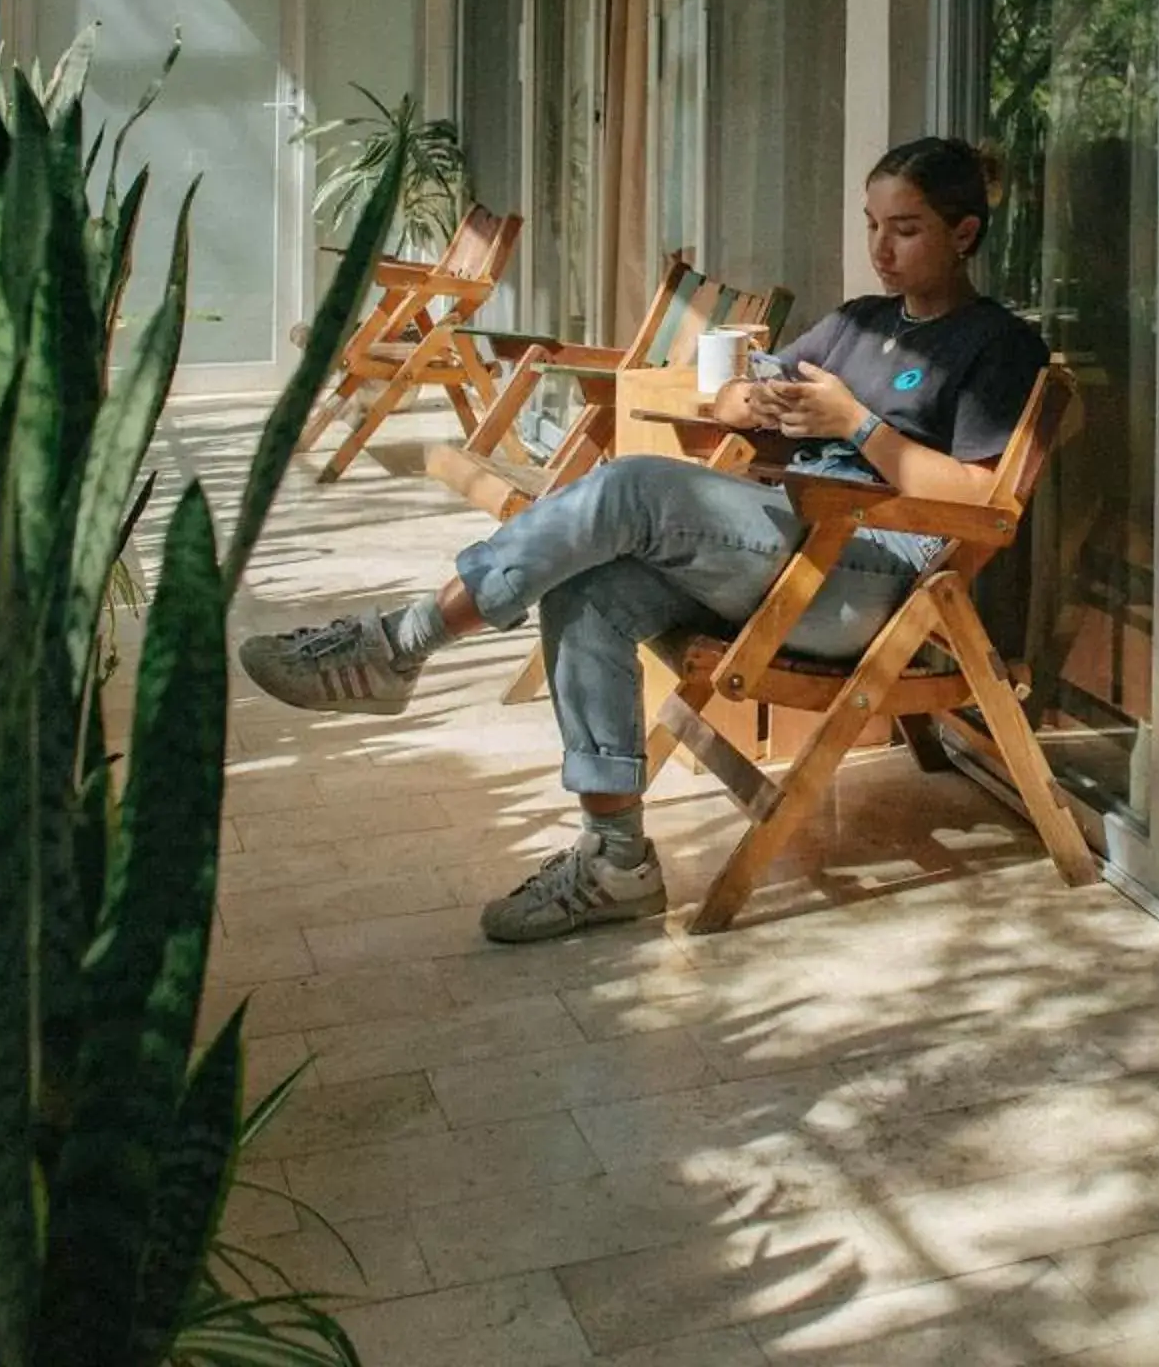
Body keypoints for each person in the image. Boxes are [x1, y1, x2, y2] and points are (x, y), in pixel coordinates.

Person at [238, 138, 1050, 944]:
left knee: (631, 484)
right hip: (785, 547)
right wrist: (752, 402)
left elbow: (983, 496)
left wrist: (856, 424)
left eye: (905, 229)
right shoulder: (856, 324)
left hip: (861, 578)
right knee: (588, 587)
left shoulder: (998, 344)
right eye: (873, 223)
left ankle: (401, 642)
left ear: (964, 234)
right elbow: (733, 394)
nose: (880, 247)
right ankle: (616, 863)